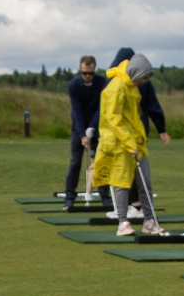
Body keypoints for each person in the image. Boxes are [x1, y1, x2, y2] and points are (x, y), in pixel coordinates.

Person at [93, 53, 167, 237]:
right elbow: (113, 118)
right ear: (136, 72)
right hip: (118, 144)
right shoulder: (116, 87)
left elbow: (133, 118)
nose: (144, 81)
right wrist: (128, 142)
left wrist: (136, 141)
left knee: (145, 182)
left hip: (134, 143)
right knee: (121, 183)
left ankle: (149, 221)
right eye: (144, 77)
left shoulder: (130, 86)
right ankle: (122, 223)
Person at [109, 45, 173, 218]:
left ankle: (135, 209)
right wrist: (161, 129)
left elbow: (151, 106)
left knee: (129, 173)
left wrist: (161, 128)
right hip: (128, 134)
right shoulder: (119, 83)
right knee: (131, 174)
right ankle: (131, 211)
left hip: (131, 135)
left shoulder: (123, 81)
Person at [61, 55, 103, 206]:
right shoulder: (74, 85)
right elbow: (77, 111)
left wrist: (92, 127)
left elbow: (101, 108)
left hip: (97, 126)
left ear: (94, 70)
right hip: (78, 127)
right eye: (84, 73)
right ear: (80, 70)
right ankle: (69, 198)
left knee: (100, 162)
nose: (87, 76)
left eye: (90, 73)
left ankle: (105, 198)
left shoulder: (102, 83)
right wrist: (82, 135)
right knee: (75, 162)